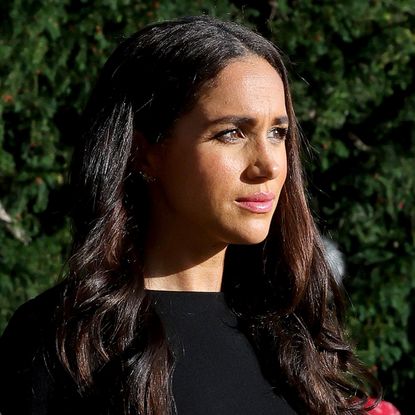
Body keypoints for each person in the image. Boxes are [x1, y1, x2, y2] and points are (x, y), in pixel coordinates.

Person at [0, 15, 380, 415]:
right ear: (145, 151)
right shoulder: (64, 341)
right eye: (231, 133)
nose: (268, 164)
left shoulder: (295, 334)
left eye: (278, 133)